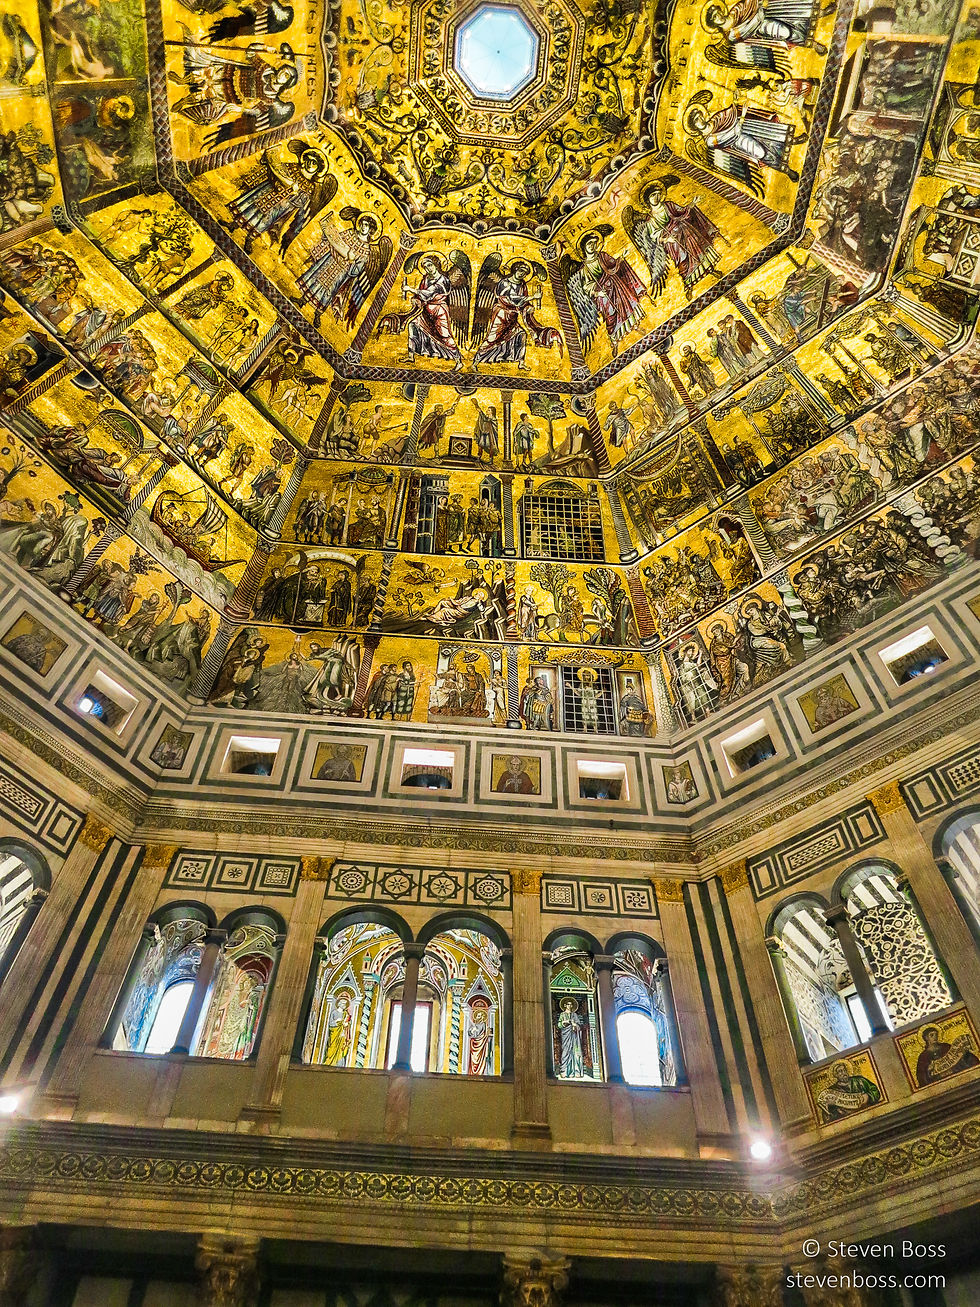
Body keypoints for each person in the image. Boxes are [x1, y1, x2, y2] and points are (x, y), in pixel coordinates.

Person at [815, 1060, 882, 1121]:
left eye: (844, 1070)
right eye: (840, 1071)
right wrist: (830, 1106)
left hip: (869, 1116)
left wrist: (868, 1096)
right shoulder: (832, 1091)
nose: (843, 1073)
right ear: (836, 1075)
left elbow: (875, 1090)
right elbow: (828, 1118)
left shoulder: (859, 1081)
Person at [914, 1025, 980, 1087]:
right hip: (939, 1084)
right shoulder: (923, 1056)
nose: (935, 1037)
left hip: (957, 1076)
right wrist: (928, 1071)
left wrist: (963, 1053)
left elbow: (958, 1057)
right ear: (926, 1038)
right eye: (932, 1035)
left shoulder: (945, 1046)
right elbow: (921, 1076)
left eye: (936, 1035)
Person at [556, 998, 587, 1079]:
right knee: (565, 1052)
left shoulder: (574, 1015)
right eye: (568, 1004)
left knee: (575, 1053)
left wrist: (575, 1025)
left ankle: (576, 1071)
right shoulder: (562, 1014)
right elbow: (559, 1025)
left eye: (571, 1004)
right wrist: (564, 1022)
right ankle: (564, 1071)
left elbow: (579, 1026)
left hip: (574, 1037)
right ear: (565, 1005)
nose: (570, 1006)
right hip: (566, 1036)